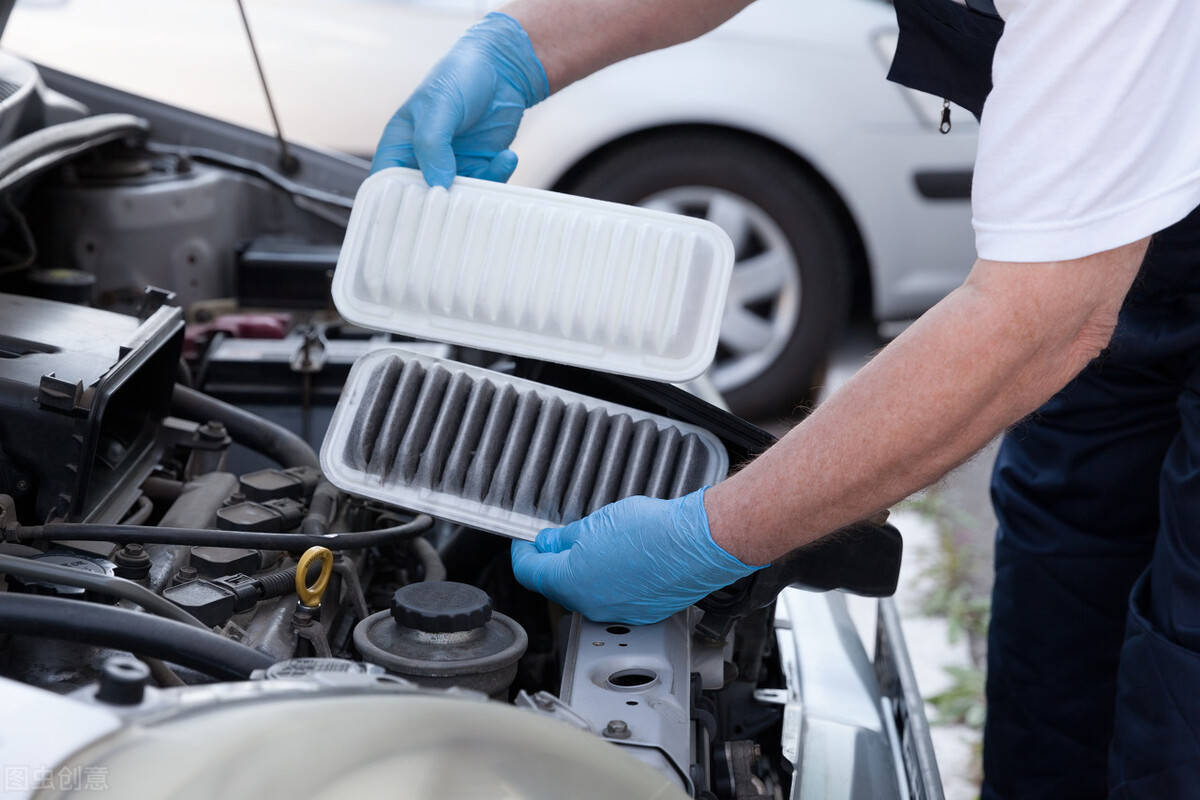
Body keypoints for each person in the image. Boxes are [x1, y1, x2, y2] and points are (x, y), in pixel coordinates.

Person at [372, 1, 1200, 796]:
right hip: (1133, 233)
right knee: (1064, 596)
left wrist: (717, 536)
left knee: (1182, 687)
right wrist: (520, 47)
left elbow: (1038, 322)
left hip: (1100, 256)